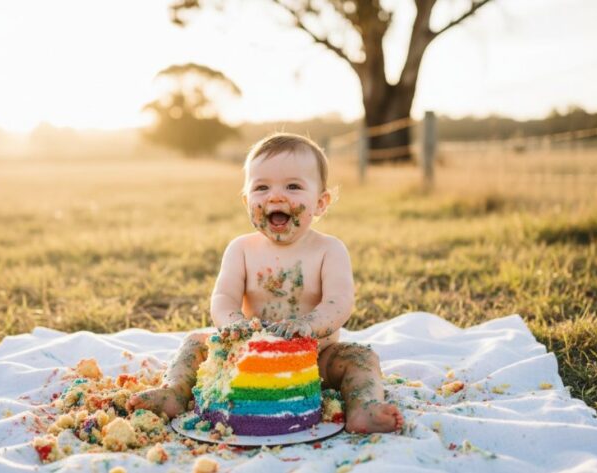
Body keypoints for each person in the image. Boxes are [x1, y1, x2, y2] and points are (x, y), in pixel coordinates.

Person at [130, 133, 404, 433]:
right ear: (247, 201)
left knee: (361, 357)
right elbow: (223, 297)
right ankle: (174, 391)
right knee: (195, 342)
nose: (275, 196)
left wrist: (310, 324)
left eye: (293, 186)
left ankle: (364, 407)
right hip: (246, 358)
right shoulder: (241, 249)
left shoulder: (329, 249)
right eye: (262, 187)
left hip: (313, 361)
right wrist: (232, 323)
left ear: (321, 202)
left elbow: (339, 302)